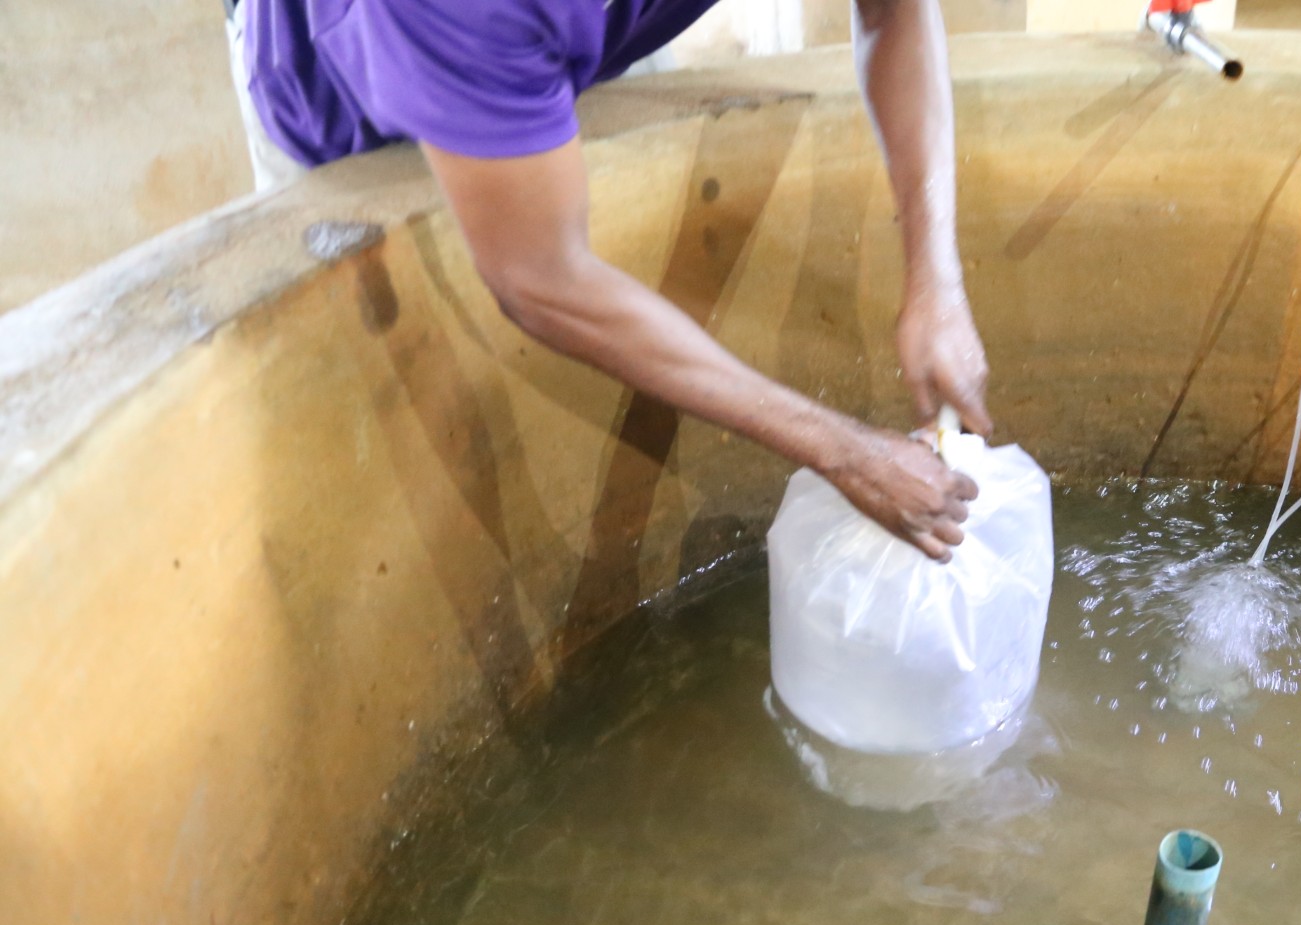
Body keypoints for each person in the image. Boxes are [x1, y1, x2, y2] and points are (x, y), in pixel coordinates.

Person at [223, 0, 990, 561]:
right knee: (409, 433)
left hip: (543, 42)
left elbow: (894, 12)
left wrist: (936, 278)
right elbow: (538, 280)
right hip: (347, 108)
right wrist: (844, 452)